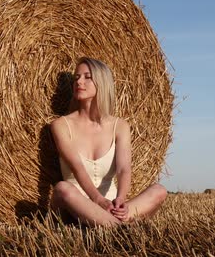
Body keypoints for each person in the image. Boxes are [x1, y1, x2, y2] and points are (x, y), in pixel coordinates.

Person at [50, 57, 167, 226]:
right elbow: (77, 167)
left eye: (87, 77)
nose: (79, 82)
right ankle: (120, 228)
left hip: (110, 205)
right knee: (62, 189)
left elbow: (124, 169)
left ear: (102, 82)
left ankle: (112, 222)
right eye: (76, 77)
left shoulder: (120, 126)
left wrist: (120, 201)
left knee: (159, 190)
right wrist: (98, 200)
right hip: (74, 206)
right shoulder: (61, 125)